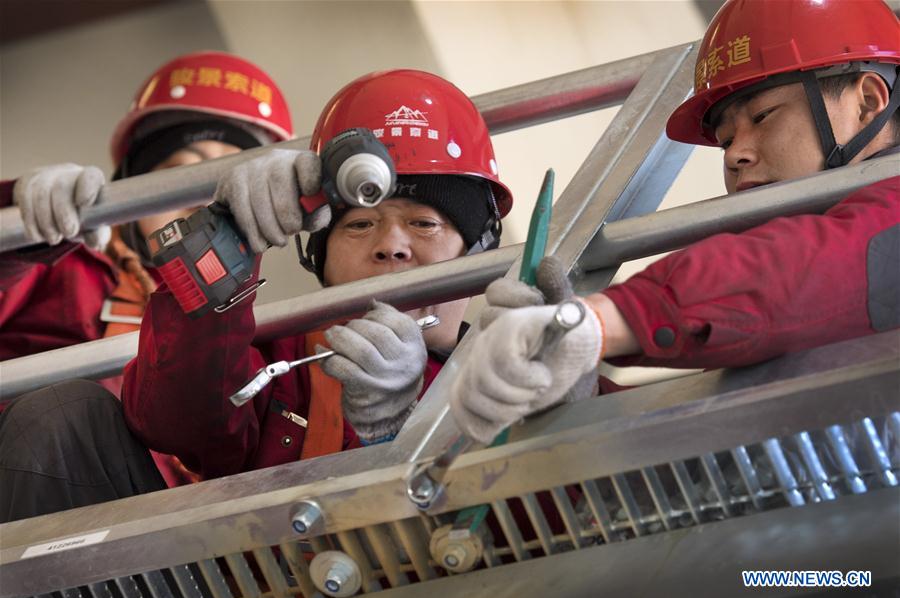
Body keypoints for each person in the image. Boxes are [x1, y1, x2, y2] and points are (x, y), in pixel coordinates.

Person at [450, 0, 900, 444]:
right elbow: (699, 454)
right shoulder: (766, 317)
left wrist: (593, 321)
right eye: (724, 140)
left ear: (868, 101)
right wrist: (567, 391)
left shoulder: (811, 268)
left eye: (763, 117)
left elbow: (804, 266)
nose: (736, 155)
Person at [116, 69, 513, 480]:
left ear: (478, 248)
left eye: (424, 224)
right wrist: (221, 246)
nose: (392, 245)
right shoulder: (281, 366)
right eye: (359, 224)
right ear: (318, 259)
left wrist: (406, 423)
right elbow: (176, 419)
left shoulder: (522, 370)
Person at [0, 51, 294, 520]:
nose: (199, 200)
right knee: (63, 412)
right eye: (181, 172)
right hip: (27, 503)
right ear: (133, 184)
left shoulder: (245, 324)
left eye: (222, 185)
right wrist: (15, 224)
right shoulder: (56, 269)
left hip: (164, 543)